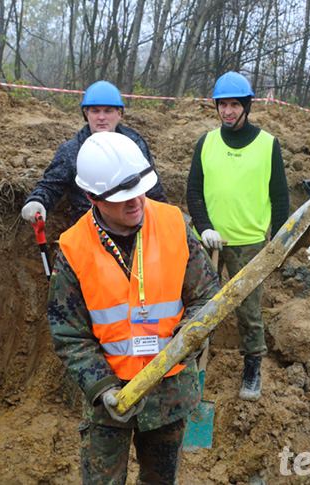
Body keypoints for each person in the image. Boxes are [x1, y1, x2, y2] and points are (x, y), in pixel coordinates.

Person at [47, 131, 219, 483]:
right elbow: (68, 333)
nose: (136, 202)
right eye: (122, 197)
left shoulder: (174, 225)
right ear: (92, 196)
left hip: (169, 393)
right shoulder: (74, 249)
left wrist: (190, 338)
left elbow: (206, 296)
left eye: (139, 190)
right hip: (110, 400)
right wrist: (103, 388)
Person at [186, 71, 289, 401]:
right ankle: (190, 363)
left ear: (247, 106)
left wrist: (279, 243)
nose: (227, 112)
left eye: (234, 105)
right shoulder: (207, 142)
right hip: (209, 242)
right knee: (198, 307)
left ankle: (252, 366)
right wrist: (204, 227)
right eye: (222, 105)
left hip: (249, 243)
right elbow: (194, 191)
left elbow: (280, 197)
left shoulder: (267, 145)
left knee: (248, 309)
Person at [20, 80, 167, 227]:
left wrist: (164, 218)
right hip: (90, 227)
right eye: (95, 111)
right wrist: (37, 201)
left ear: (119, 113)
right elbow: (51, 185)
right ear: (86, 114)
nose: (101, 117)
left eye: (108, 111)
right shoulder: (72, 150)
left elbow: (152, 187)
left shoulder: (134, 143)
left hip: (135, 221)